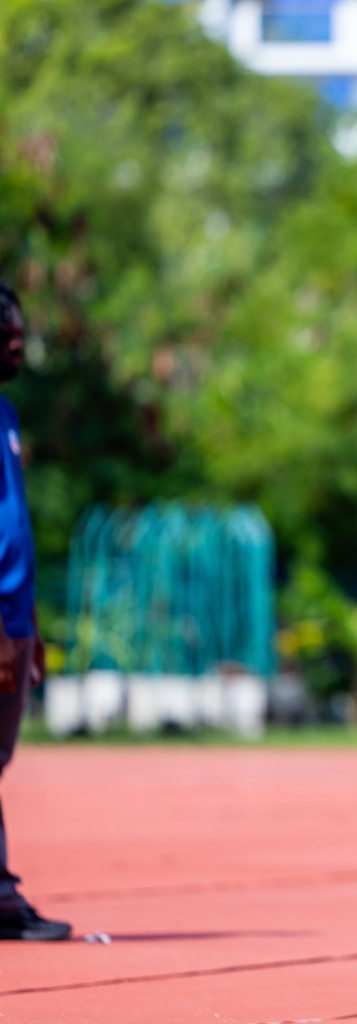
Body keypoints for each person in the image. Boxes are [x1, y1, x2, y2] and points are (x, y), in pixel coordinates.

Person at [0, 284, 69, 941]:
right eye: (8, 335)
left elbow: (12, 524)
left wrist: (29, 626)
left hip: (15, 618)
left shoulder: (8, 415)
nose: (18, 344)